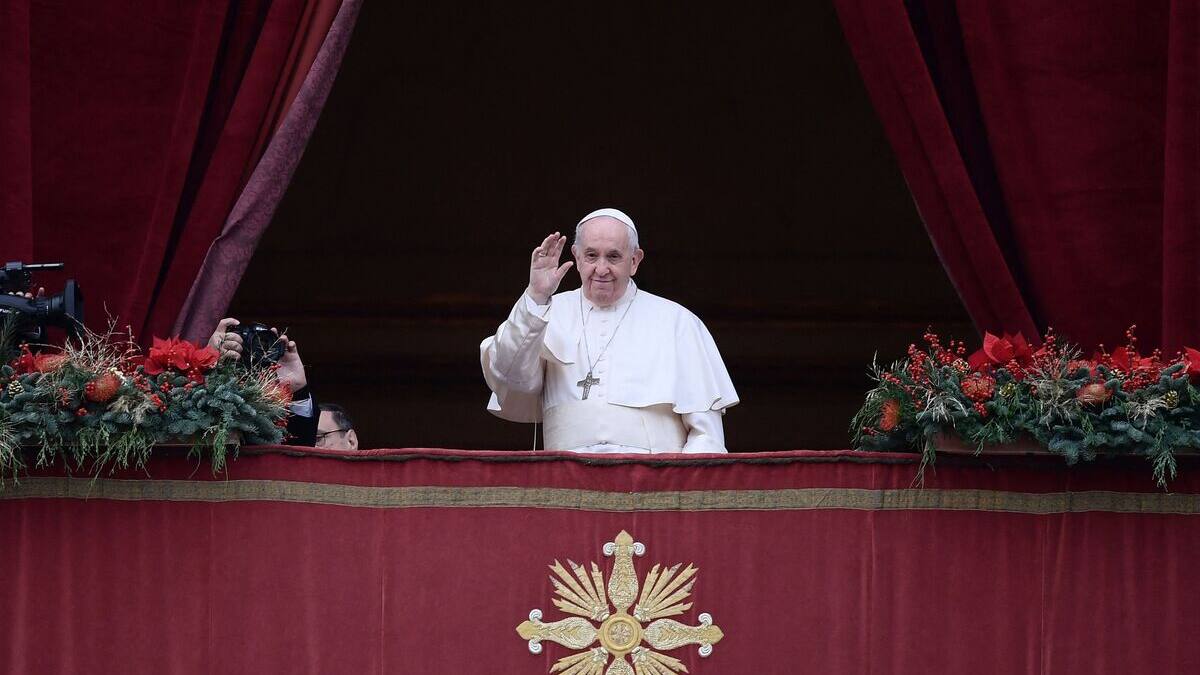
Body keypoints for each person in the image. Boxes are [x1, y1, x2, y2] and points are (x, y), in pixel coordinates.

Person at [480, 208, 738, 454]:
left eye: (613, 257)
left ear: (635, 260)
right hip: (565, 488)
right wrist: (536, 296)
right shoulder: (546, 312)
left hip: (650, 490)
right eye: (591, 256)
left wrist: (676, 493)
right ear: (577, 256)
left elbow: (707, 438)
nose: (601, 269)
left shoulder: (678, 322)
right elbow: (508, 376)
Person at [209, 318, 318, 447]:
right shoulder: (207, 370)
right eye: (254, 339)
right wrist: (207, 361)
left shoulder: (271, 395)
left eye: (265, 341)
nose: (259, 346)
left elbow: (298, 457)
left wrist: (296, 393)